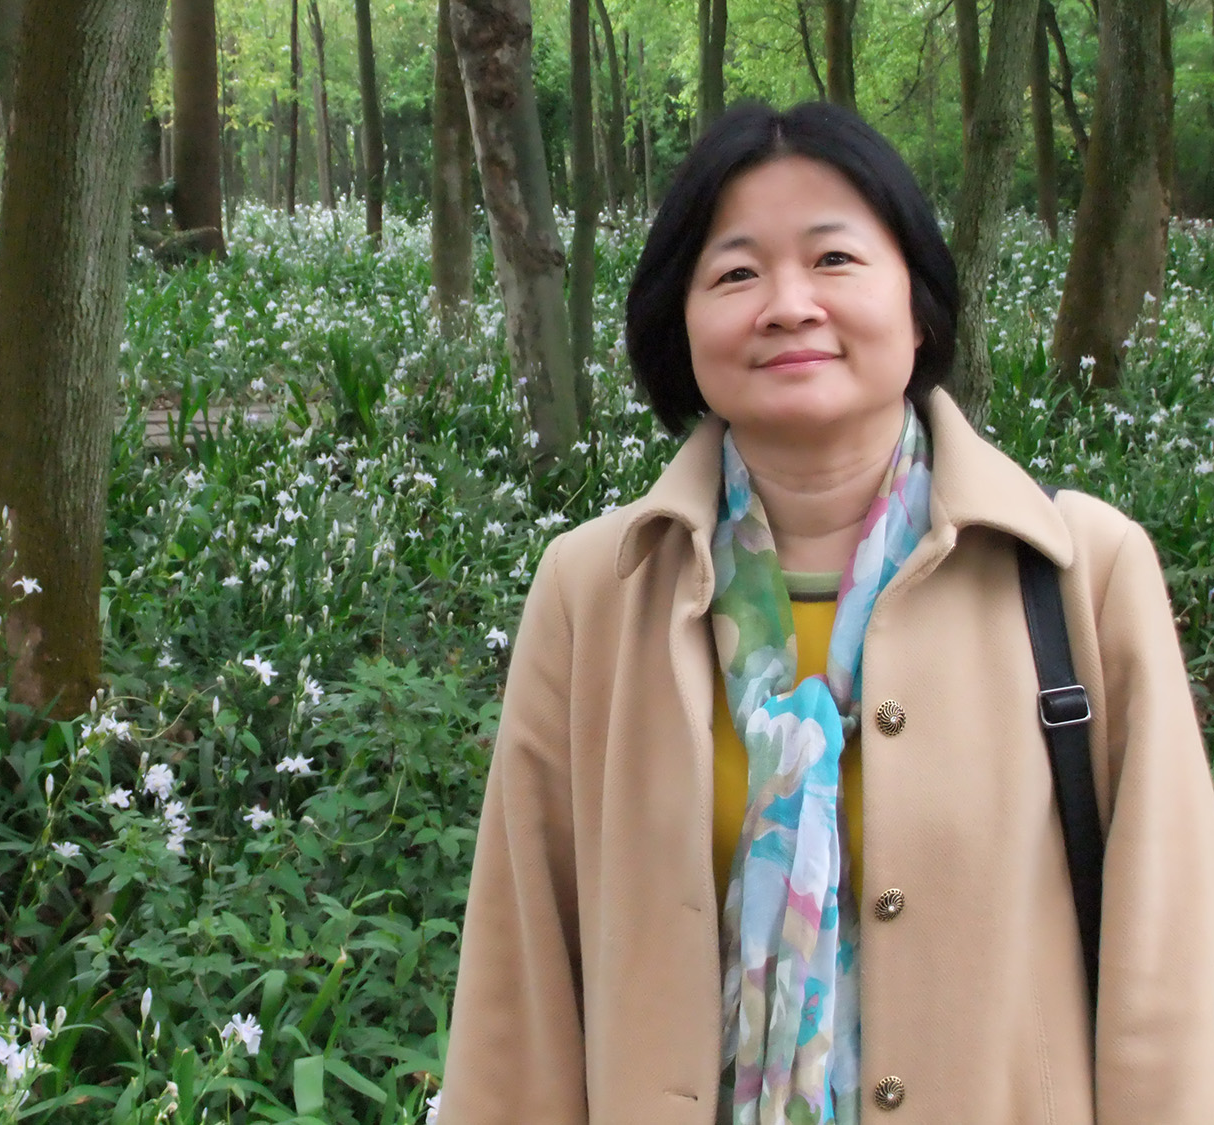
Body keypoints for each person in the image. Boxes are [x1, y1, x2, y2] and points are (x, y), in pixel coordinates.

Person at [436, 101, 1214, 1124]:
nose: (788, 305)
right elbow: (522, 971)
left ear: (918, 303)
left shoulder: (1080, 574)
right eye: (736, 273)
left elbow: (1168, 982)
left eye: (835, 259)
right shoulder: (594, 590)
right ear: (681, 322)